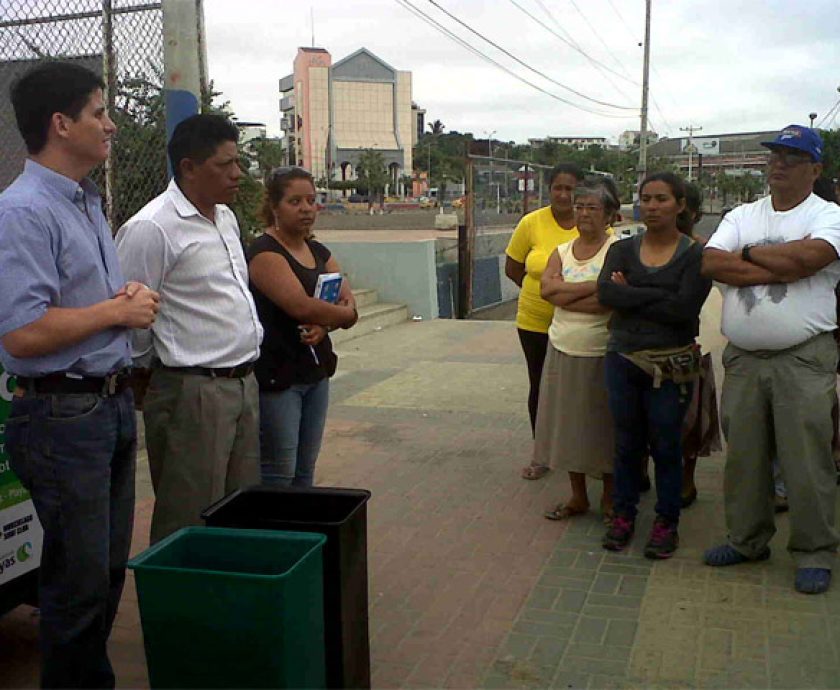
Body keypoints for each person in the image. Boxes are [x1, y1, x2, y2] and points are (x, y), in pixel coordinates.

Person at [0, 62, 159, 688]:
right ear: (61, 124)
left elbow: (80, 309)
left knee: (104, 573)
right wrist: (115, 311)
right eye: (99, 113)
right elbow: (22, 332)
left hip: (107, 408)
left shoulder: (85, 203)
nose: (111, 125)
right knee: (76, 583)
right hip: (62, 417)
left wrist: (120, 302)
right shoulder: (22, 212)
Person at [702, 125, 840, 594]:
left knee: (806, 459)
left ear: (815, 169)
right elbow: (712, 263)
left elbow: (813, 257)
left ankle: (814, 550)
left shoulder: (828, 215)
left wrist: (749, 255)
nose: (779, 164)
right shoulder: (743, 213)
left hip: (803, 358)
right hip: (743, 357)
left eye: (793, 157)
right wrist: (777, 260)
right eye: (775, 156)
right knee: (745, 457)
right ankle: (746, 540)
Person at [116, 113, 263, 544]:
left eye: (239, 163)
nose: (237, 175)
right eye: (225, 165)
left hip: (242, 383)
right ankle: (182, 609)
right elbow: (133, 315)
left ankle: (229, 602)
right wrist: (146, 373)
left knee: (242, 510)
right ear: (189, 167)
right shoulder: (152, 227)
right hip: (192, 393)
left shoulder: (226, 219)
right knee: (189, 516)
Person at [598, 172, 711, 559]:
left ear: (680, 205)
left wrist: (631, 293)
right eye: (645, 198)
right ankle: (624, 515)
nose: (651, 206)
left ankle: (667, 522)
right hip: (623, 358)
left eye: (661, 199)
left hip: (671, 364)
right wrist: (652, 294)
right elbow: (606, 292)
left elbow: (684, 309)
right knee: (627, 443)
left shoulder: (694, 254)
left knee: (666, 444)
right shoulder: (623, 249)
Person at [248, 166, 357, 486]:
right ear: (274, 207)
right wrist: (344, 316)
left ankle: (302, 533)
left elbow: (345, 296)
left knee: (305, 469)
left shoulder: (319, 251)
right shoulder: (265, 253)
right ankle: (276, 533)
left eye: (311, 200)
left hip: (316, 372)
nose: (307, 209)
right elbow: (300, 306)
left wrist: (326, 326)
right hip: (279, 377)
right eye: (295, 201)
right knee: (279, 469)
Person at [537, 177, 620, 522]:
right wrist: (592, 287)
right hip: (562, 348)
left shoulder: (618, 250)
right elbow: (546, 291)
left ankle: (612, 499)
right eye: (579, 206)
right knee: (567, 427)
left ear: (610, 214)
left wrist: (567, 293)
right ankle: (578, 496)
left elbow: (608, 302)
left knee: (604, 429)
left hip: (601, 352)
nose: (584, 213)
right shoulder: (561, 251)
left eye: (592, 207)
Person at [506, 163, 583, 479]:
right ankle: (542, 453)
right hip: (535, 321)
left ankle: (579, 451)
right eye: (558, 188)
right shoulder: (531, 223)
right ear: (548, 189)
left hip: (580, 322)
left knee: (578, 388)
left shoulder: (592, 221)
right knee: (540, 384)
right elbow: (513, 268)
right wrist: (540, 292)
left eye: (570, 189)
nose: (563, 195)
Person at [676, 183, 722, 507]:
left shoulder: (705, 252)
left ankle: (686, 482)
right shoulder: (640, 248)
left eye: (681, 207)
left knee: (691, 420)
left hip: (695, 346)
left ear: (693, 212)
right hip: (649, 347)